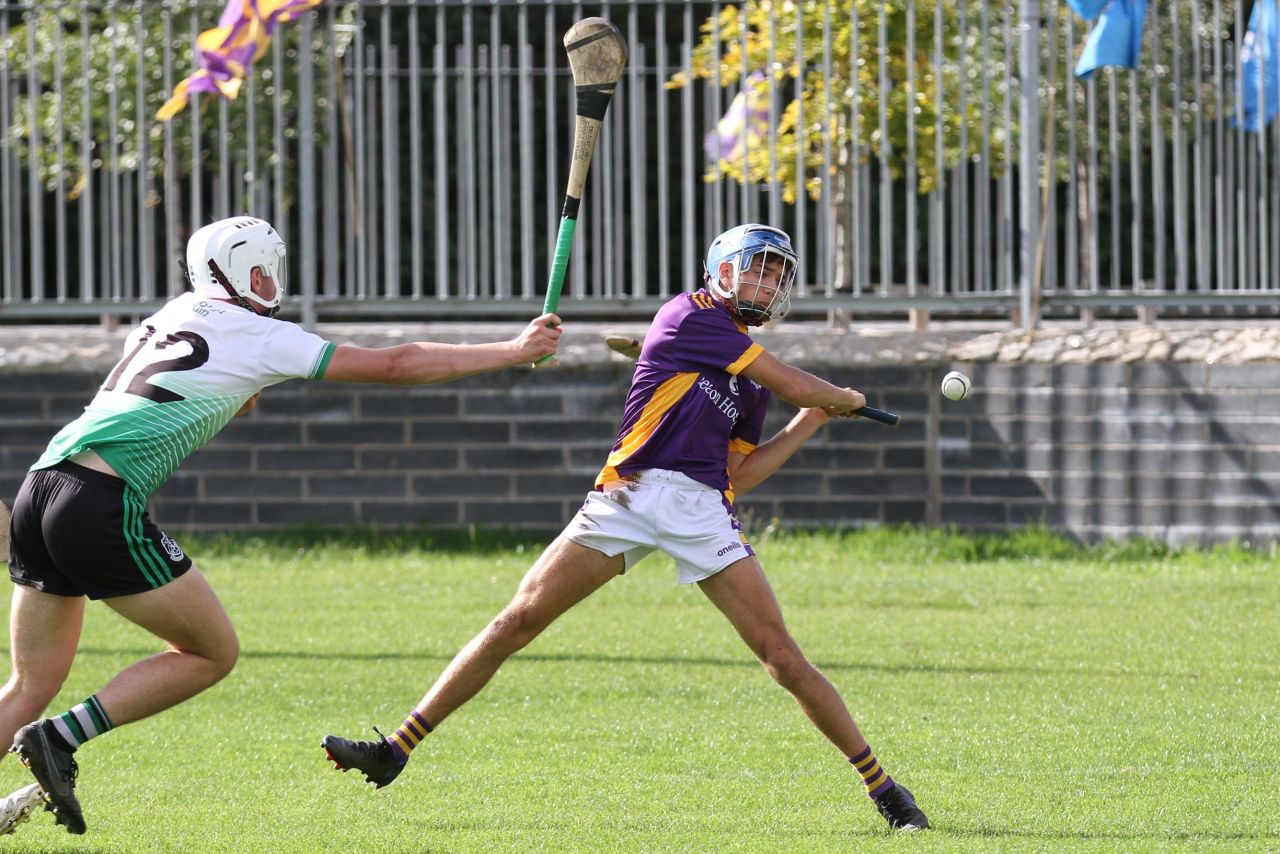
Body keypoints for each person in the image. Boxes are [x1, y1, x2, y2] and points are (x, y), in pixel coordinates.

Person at [323, 223, 930, 832]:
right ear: (721, 272)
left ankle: (886, 790)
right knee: (517, 619)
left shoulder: (750, 380)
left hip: (701, 508)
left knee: (783, 660)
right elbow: (795, 379)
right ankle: (396, 748)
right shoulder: (690, 316)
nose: (768, 283)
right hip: (628, 497)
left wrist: (812, 420)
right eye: (758, 268)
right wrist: (839, 396)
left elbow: (738, 475)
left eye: (778, 274)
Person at [1, 215, 561, 836]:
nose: (276, 282)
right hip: (98, 504)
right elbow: (397, 365)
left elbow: (211, 390)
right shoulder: (261, 334)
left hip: (43, 482)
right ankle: (59, 737)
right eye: (268, 269)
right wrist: (514, 350)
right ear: (250, 272)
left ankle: (47, 731)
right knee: (210, 651)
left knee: (28, 680)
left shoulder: (175, 310)